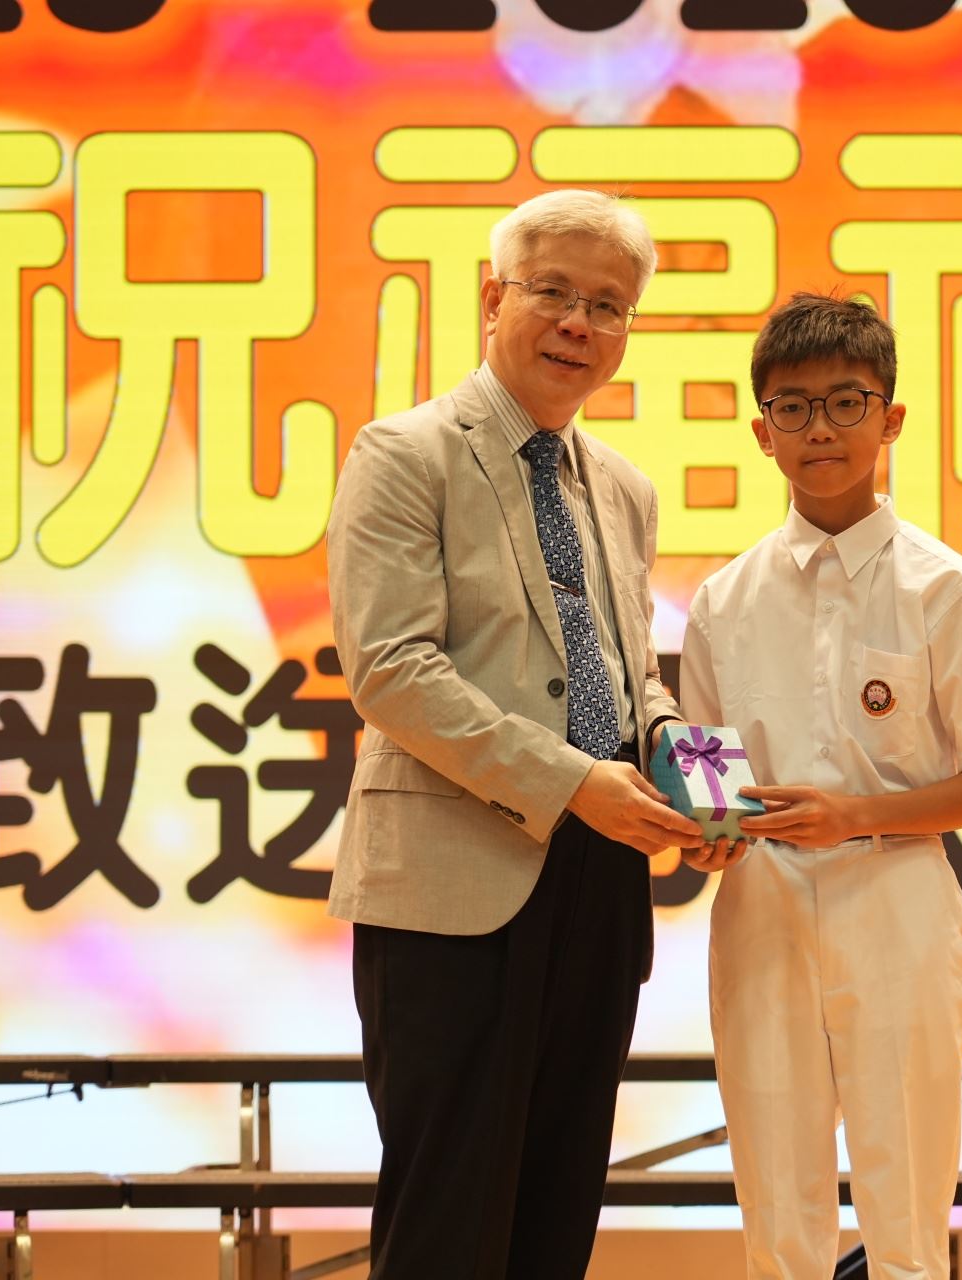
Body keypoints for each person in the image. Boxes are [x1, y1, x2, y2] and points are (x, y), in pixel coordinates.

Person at [325, 189, 702, 1279]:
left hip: (601, 881)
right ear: (493, 298)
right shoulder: (404, 453)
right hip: (453, 885)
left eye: (609, 305)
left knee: (555, 1217)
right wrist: (574, 779)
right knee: (448, 1223)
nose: (580, 323)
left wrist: (689, 772)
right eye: (555, 292)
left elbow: (630, 675)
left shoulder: (625, 488)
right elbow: (391, 670)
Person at [677, 293, 962, 1279]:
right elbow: (708, 773)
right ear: (762, 431)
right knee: (777, 1212)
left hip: (897, 899)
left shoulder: (945, 588)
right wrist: (704, 833)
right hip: (760, 907)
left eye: (846, 402)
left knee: (906, 1209)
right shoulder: (721, 602)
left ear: (890, 419)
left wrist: (855, 815)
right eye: (794, 407)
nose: (821, 429)